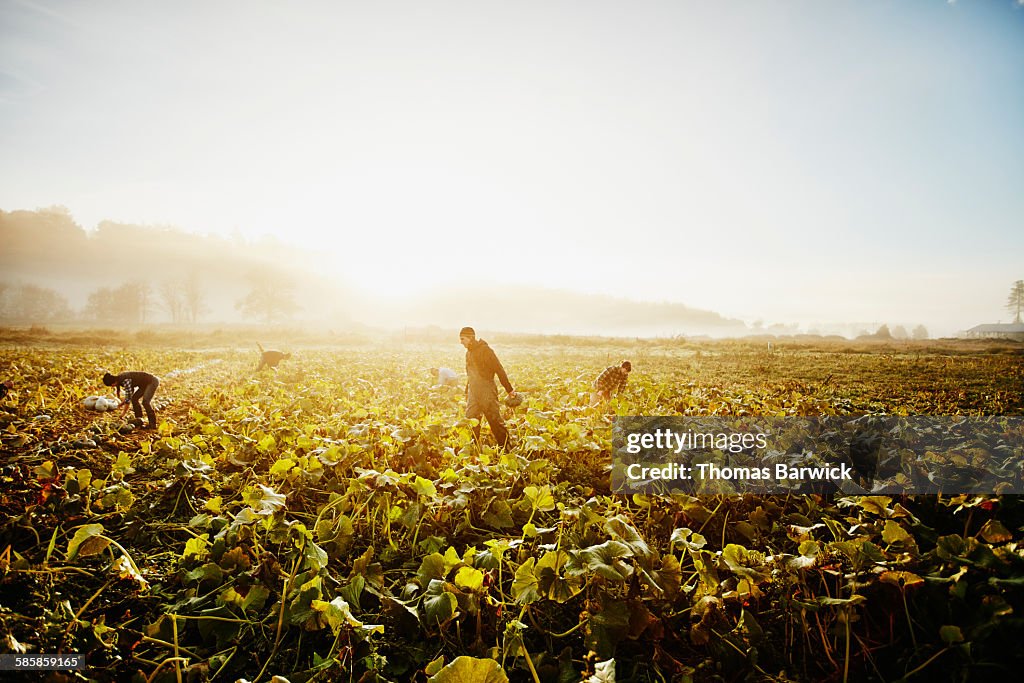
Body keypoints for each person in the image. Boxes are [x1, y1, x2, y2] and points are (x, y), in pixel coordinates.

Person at [460, 327, 517, 449]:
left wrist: (509, 389)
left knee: (494, 420)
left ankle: (506, 448)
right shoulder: (468, 353)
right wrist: (467, 389)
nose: (461, 342)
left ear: (470, 338)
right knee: (471, 420)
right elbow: (470, 373)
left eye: (462, 339)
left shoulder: (485, 351)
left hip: (487, 391)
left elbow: (499, 369)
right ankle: (474, 449)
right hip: (473, 391)